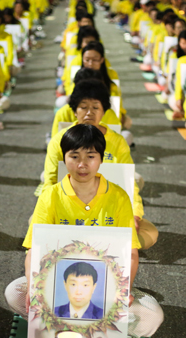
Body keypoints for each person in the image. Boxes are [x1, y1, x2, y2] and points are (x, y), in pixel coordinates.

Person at [4, 124, 163, 338]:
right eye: (74, 156)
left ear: (101, 159)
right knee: (15, 293)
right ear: (64, 158)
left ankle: (71, 327)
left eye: (90, 156)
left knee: (152, 316)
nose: (82, 164)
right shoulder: (50, 195)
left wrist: (123, 292)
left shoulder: (118, 197)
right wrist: (33, 288)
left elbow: (131, 253)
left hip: (104, 286)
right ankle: (90, 328)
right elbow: (34, 250)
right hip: (57, 284)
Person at [44, 80, 158, 249]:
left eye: (96, 107)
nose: (89, 112)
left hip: (107, 212)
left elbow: (129, 182)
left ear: (104, 111)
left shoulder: (117, 141)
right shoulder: (59, 140)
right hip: (68, 212)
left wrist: (134, 214)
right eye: (83, 107)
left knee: (150, 233)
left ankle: (87, 246)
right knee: (36, 222)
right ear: (74, 110)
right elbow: (50, 181)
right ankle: (108, 247)